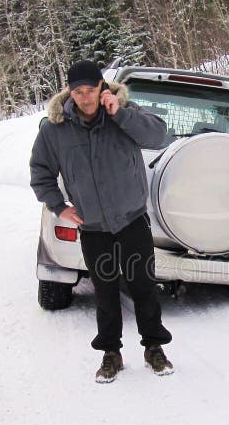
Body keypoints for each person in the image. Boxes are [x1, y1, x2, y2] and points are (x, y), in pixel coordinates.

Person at [30, 60, 173, 383]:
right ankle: (111, 354)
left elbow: (158, 135)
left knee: (144, 288)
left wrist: (120, 113)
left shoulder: (123, 113)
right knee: (105, 293)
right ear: (70, 92)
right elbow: (40, 173)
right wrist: (58, 206)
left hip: (131, 220)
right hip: (93, 227)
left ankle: (154, 348)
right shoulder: (55, 131)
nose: (85, 97)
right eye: (78, 91)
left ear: (101, 88)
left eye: (90, 90)